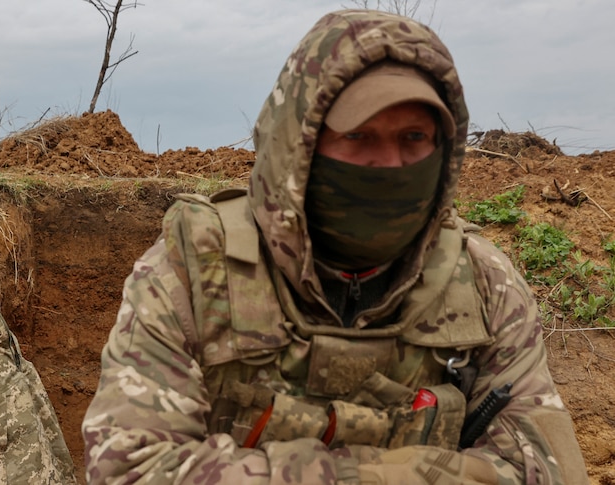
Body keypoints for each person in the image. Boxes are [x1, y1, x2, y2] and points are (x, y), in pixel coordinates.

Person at [82, 9, 588, 484]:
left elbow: (544, 464)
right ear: (299, 149)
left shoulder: (482, 282)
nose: (390, 164)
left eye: (414, 137)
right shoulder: (195, 269)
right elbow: (131, 466)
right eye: (359, 136)